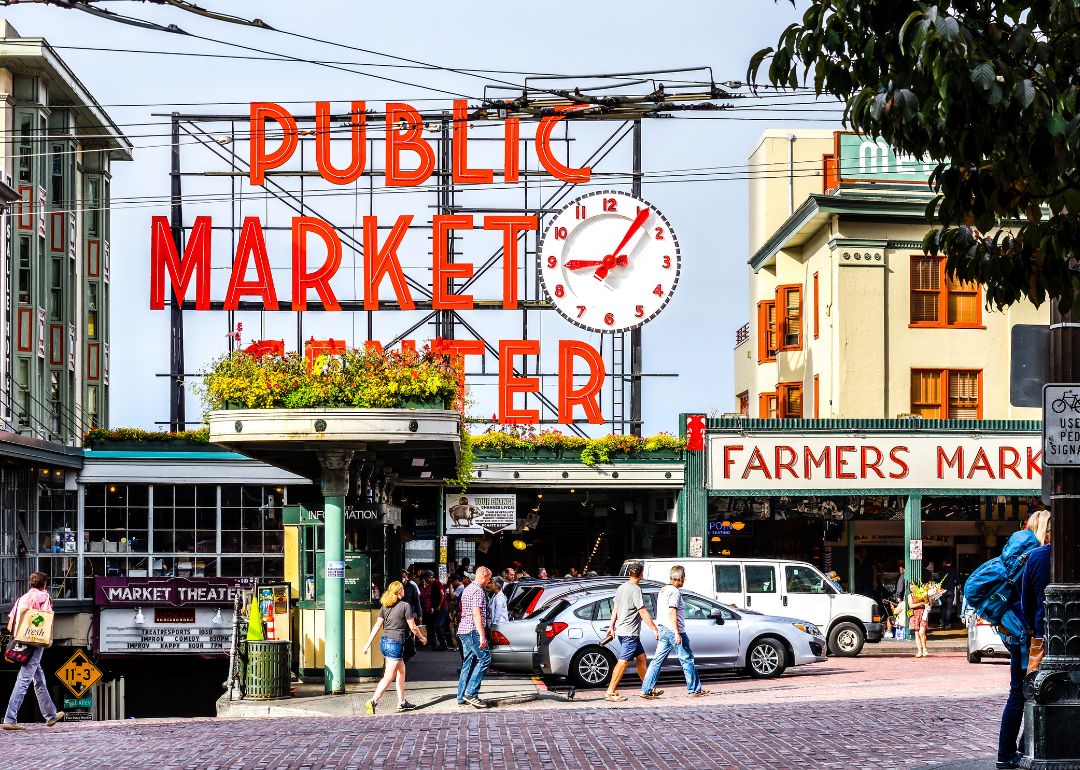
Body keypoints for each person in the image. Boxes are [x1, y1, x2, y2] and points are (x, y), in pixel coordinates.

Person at [998, 510, 1051, 770]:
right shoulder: (1043, 556)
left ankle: (1009, 752)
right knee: (1036, 692)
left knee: (1020, 692)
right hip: (1035, 635)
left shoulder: (1022, 558)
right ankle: (1018, 749)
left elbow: (1026, 602)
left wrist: (1030, 629)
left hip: (1021, 634)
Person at [3, 573, 64, 730]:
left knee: (38, 678)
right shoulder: (44, 597)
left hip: (20, 640)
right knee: (24, 680)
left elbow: (10, 625)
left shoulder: (21, 599)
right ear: (44, 585)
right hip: (35, 642)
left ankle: (50, 715)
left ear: (31, 584)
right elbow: (47, 620)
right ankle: (10, 718)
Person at [640, 565, 709, 699]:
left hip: (663, 629)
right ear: (680, 577)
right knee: (687, 659)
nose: (684, 580)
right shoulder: (675, 592)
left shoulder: (663, 590)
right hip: (674, 630)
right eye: (684, 577)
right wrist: (677, 632)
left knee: (656, 661)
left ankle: (646, 689)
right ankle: (694, 690)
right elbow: (672, 611)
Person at [362, 581, 428, 714]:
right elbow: (413, 627)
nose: (404, 591)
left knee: (401, 670)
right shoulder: (405, 606)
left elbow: (377, 626)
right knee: (388, 676)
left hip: (384, 642)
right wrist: (423, 638)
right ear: (399, 592)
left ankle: (402, 702)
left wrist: (367, 644)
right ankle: (373, 700)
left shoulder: (385, 606)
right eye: (403, 589)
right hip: (396, 643)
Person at [603, 563, 660, 702]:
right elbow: (642, 610)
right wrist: (654, 628)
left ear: (629, 574)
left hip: (623, 630)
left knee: (641, 657)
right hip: (630, 632)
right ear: (641, 574)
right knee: (623, 662)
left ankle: (647, 688)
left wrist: (611, 626)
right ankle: (610, 692)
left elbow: (615, 608)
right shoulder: (636, 589)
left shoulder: (621, 588)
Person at [456, 566, 492, 708]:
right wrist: (482, 636)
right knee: (485, 659)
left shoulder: (468, 588)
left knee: (468, 663)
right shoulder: (478, 590)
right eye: (489, 579)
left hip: (464, 630)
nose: (489, 582)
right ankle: (470, 693)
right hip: (472, 631)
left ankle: (461, 696)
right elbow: (476, 613)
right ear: (484, 576)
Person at [426, 572, 448, 651]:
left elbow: (441, 593)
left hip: (441, 607)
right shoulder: (435, 584)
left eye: (426, 578)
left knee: (437, 625)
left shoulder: (436, 583)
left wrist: (439, 604)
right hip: (440, 607)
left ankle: (443, 642)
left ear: (429, 577)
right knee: (440, 625)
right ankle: (442, 642)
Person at [909, 580, 929, 657]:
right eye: (911, 587)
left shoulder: (922, 594)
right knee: (917, 633)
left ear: (917, 586)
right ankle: (919, 651)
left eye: (913, 587)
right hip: (914, 615)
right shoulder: (910, 596)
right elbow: (911, 605)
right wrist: (921, 603)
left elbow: (928, 602)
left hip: (923, 614)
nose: (912, 588)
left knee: (922, 633)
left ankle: (925, 649)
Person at [938, 558, 958, 629]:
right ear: (951, 562)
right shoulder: (954, 570)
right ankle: (947, 624)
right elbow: (957, 581)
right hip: (950, 590)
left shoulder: (942, 570)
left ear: (945, 561)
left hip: (943, 591)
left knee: (943, 606)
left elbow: (939, 580)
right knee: (949, 608)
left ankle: (942, 622)